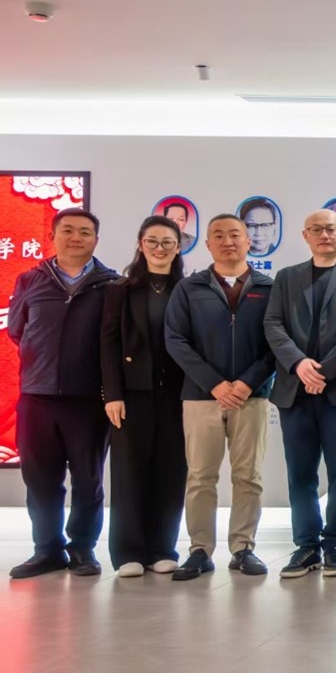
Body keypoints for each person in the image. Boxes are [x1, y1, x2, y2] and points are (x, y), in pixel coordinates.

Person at [6, 208, 119, 579]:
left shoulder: (111, 286)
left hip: (88, 399)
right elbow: (18, 330)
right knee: (40, 480)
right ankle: (47, 550)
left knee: (88, 481)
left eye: (84, 232)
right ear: (53, 236)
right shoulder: (30, 280)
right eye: (67, 230)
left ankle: (83, 548)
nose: (75, 238)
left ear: (96, 240)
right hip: (36, 397)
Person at [164, 213, 276, 581]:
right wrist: (214, 383)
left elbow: (278, 342)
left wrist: (247, 382)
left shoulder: (270, 288)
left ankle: (243, 548)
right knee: (200, 476)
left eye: (235, 235)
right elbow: (176, 340)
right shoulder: (189, 288)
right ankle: (200, 550)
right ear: (208, 244)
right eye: (219, 236)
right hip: (201, 397)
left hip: (252, 397)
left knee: (248, 476)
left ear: (248, 241)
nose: (228, 241)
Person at [264, 209, 336, 579]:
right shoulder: (287, 276)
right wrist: (299, 364)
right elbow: (273, 323)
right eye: (317, 229)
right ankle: (306, 545)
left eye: (332, 229)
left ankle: (335, 545)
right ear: (305, 235)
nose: (325, 235)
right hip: (295, 390)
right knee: (300, 474)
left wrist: (324, 371)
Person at [100, 216, 187, 578]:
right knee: (128, 472)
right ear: (140, 244)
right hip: (131, 395)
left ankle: (162, 548)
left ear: (178, 247)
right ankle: (128, 552)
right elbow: (108, 343)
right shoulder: (120, 289)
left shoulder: (187, 288)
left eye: (167, 242)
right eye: (152, 241)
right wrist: (112, 394)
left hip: (177, 394)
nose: (159, 248)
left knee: (171, 470)